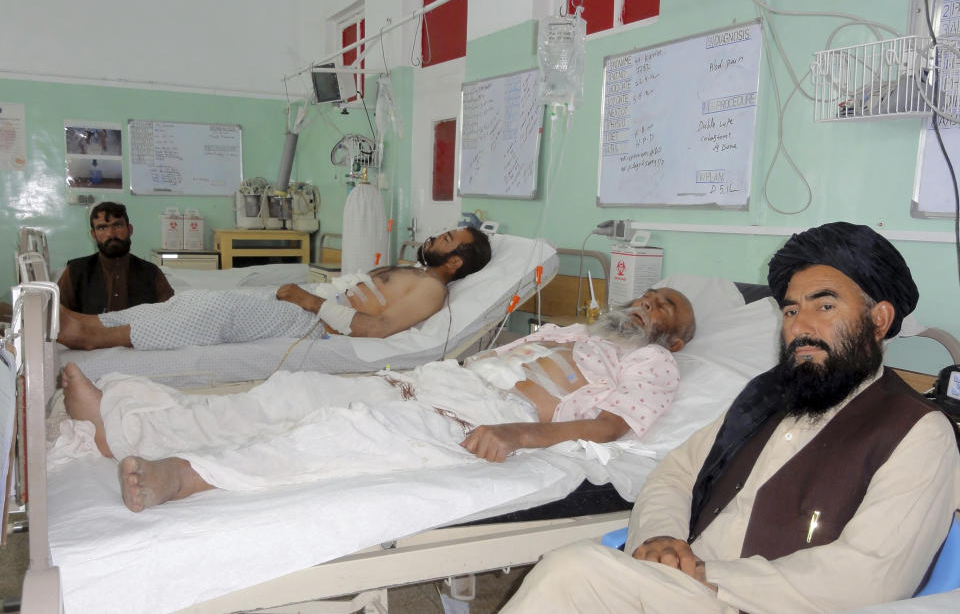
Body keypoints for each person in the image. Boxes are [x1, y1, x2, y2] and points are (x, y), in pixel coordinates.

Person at [500, 222, 960, 614]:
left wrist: (703, 575)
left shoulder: (917, 432)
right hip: (682, 588)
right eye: (791, 310)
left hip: (752, 602)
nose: (800, 326)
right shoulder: (769, 395)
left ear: (879, 319)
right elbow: (675, 472)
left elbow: (870, 577)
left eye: (824, 306)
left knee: (571, 573)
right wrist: (661, 537)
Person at [57, 287, 696, 512]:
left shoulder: (651, 362)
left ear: (675, 335)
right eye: (651, 293)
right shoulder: (574, 330)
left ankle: (189, 478)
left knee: (344, 434)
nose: (648, 302)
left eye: (664, 306)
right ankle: (127, 433)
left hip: (479, 418)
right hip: (436, 382)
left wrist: (519, 435)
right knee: (289, 391)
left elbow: (612, 425)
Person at [56, 227, 491, 350]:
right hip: (311, 304)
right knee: (199, 301)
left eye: (447, 241)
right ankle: (91, 322)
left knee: (216, 315)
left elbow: (377, 329)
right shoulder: (413, 269)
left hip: (318, 323)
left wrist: (308, 299)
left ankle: (96, 336)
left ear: (454, 263)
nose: (436, 238)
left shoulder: (432, 290)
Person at [57, 201, 174, 315]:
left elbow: (171, 316)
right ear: (93, 235)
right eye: (102, 228)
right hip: (89, 334)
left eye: (117, 225)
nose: (111, 234)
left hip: (137, 335)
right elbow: (57, 317)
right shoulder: (75, 272)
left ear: (130, 230)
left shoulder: (152, 273)